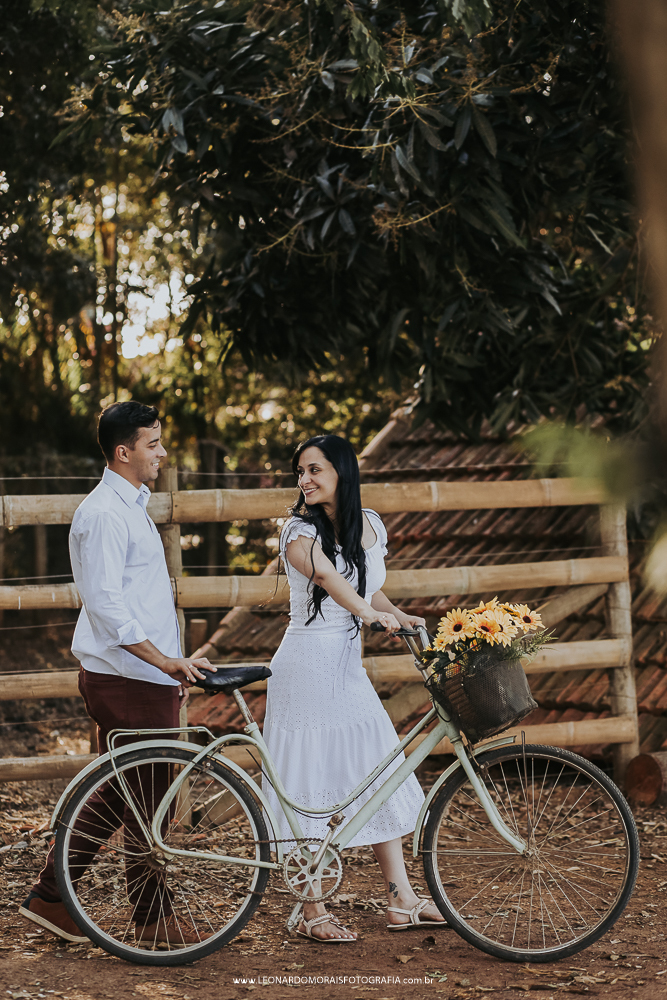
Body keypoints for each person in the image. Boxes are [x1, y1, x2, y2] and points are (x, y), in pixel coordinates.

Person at [20, 401, 215, 947]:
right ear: (124, 451)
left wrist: (168, 669)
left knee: (135, 795)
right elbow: (106, 603)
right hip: (128, 676)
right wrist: (163, 661)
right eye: (153, 444)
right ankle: (101, 907)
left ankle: (71, 903)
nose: (162, 452)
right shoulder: (105, 513)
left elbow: (137, 598)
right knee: (134, 796)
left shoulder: (130, 505)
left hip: (144, 676)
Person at [262, 435, 446, 942]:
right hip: (305, 667)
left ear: (342, 471)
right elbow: (327, 577)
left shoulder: (369, 524)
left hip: (345, 670)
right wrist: (367, 613)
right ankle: (311, 907)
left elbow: (367, 584)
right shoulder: (297, 532)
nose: (305, 480)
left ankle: (401, 899)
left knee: (376, 769)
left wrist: (397, 613)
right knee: (307, 780)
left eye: (315, 469)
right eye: (301, 471)